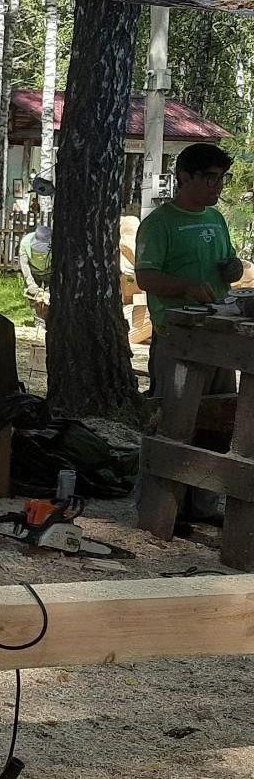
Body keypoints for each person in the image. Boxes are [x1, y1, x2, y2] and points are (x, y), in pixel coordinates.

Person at [135, 142, 243, 526]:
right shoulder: (159, 223)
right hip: (176, 338)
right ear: (184, 177)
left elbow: (228, 263)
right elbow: (145, 277)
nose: (217, 187)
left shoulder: (216, 218)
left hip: (219, 336)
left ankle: (205, 505)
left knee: (219, 421)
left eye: (221, 179)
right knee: (174, 421)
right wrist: (184, 287)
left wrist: (233, 268)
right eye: (209, 179)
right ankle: (166, 505)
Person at [18, 224, 53, 294]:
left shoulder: (57, 243)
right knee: (33, 295)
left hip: (50, 273)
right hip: (33, 273)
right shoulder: (25, 243)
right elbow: (24, 264)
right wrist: (30, 283)